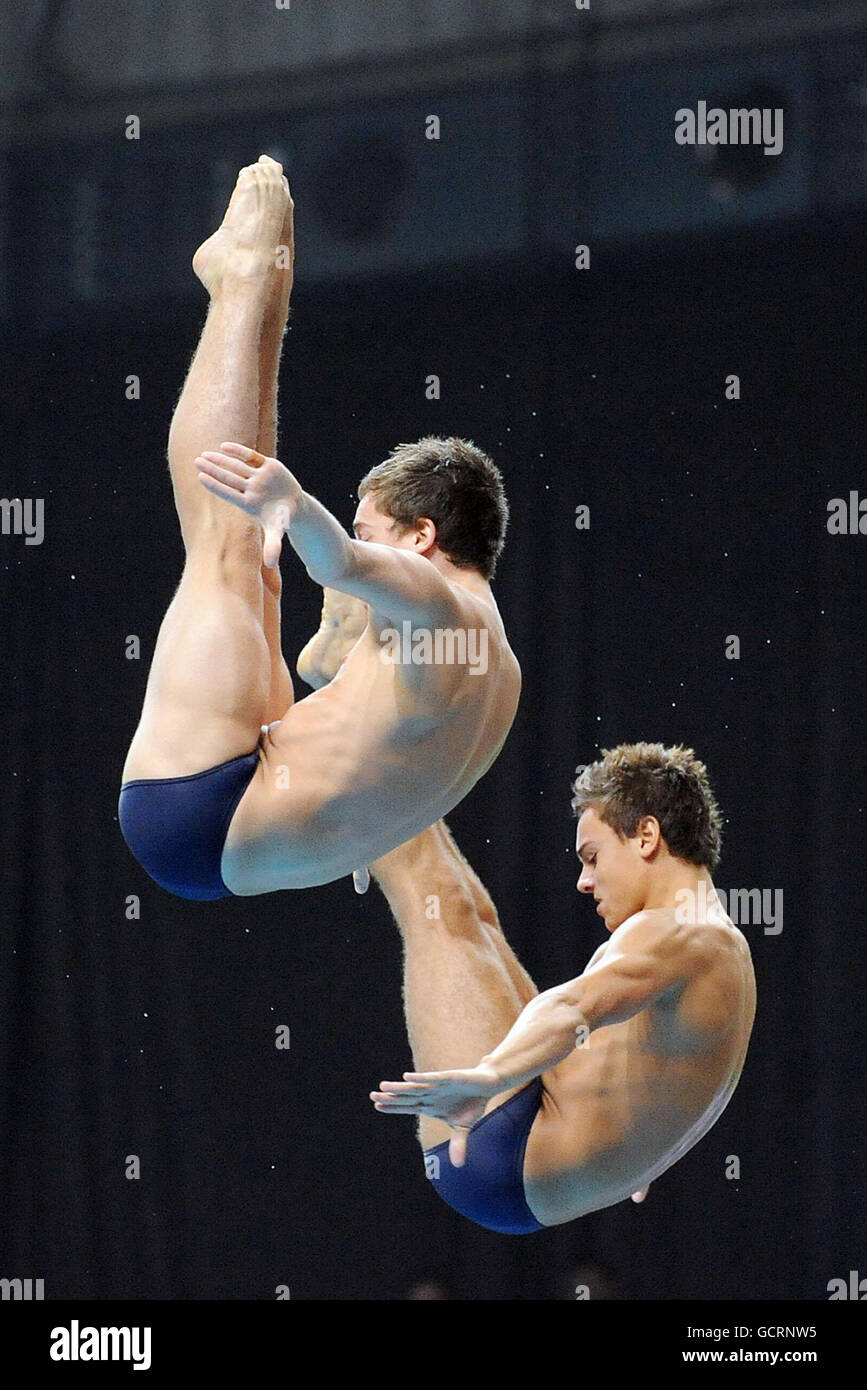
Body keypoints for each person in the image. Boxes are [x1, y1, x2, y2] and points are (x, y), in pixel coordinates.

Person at [118, 156, 520, 899]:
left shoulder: (439, 606)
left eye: (374, 527)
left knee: (230, 547)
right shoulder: (498, 673)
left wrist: (299, 509)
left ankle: (246, 281)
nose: (365, 539)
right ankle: (257, 276)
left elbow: (343, 567)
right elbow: (373, 735)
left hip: (199, 804)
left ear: (423, 536)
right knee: (256, 560)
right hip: (229, 835)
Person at [369, 743, 756, 1233]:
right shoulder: (726, 946)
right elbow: (675, 1080)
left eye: (592, 858)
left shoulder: (678, 931)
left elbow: (571, 1008)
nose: (584, 882)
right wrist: (638, 1149)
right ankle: (371, 774)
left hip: (499, 1148)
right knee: (473, 916)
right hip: (530, 1162)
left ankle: (350, 745)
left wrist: (487, 1079)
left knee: (438, 904)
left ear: (646, 836)